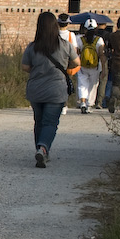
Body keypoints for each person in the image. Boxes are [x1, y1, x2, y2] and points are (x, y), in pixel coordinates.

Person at [21, 10, 79, 168]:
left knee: (39, 122)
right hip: (56, 90)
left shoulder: (33, 47)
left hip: (36, 89)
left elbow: (25, 66)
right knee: (50, 122)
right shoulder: (65, 45)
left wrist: (38, 69)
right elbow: (76, 62)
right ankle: (43, 148)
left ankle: (40, 150)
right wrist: (64, 66)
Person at [75, 19, 102, 114]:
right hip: (95, 66)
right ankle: (89, 104)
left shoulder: (80, 39)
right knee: (93, 85)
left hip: (82, 65)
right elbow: (101, 54)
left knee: (82, 84)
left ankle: (82, 102)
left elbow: (77, 52)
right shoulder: (99, 40)